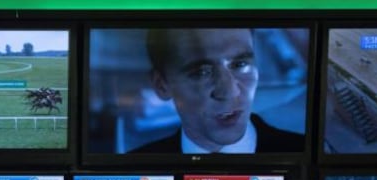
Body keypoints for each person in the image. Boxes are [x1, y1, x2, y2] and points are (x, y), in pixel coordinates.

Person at [130, 28, 304, 154]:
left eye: (240, 64)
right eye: (201, 72)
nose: (229, 92)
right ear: (161, 85)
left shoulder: (300, 151)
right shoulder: (136, 165)